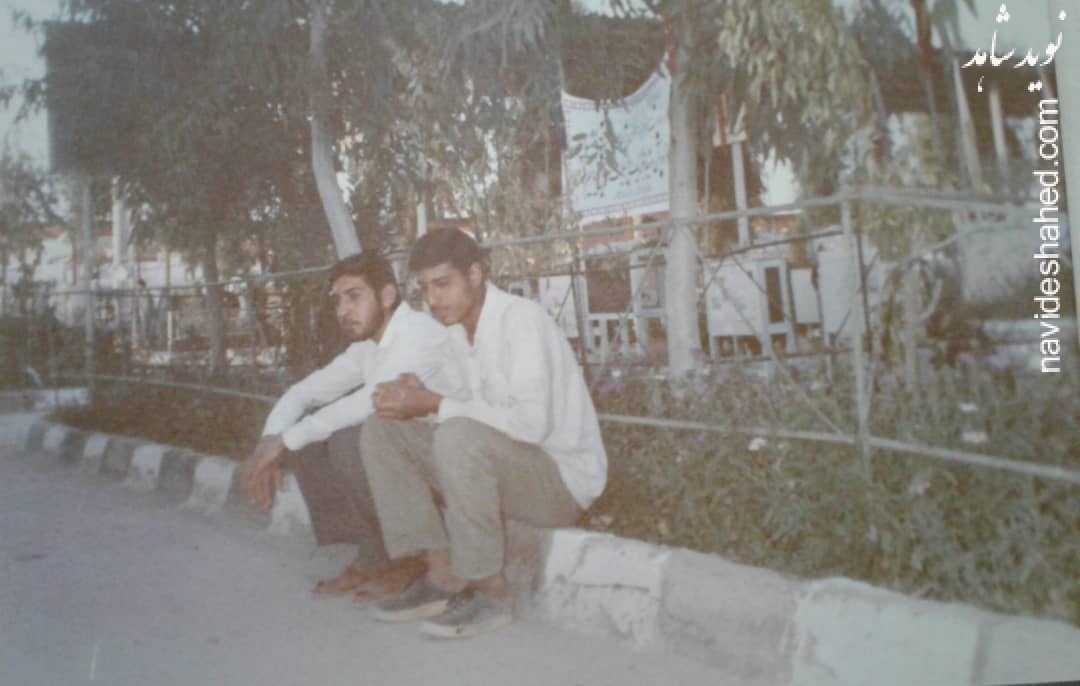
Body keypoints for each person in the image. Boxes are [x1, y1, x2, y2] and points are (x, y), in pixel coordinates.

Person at [362, 228, 607, 639]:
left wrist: (434, 402)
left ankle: (492, 593)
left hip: (559, 481)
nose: (433, 299)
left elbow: (530, 425)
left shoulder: (521, 321)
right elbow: (466, 406)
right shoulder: (457, 331)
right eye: (424, 288)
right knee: (383, 428)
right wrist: (418, 396)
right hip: (504, 466)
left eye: (443, 284)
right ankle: (441, 576)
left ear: (475, 274)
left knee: (458, 435)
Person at [240, 252, 459, 605]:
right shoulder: (368, 348)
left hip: (456, 466)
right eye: (338, 300)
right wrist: (269, 441)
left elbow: (368, 402)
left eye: (354, 296)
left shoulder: (419, 334)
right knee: (308, 441)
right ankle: (375, 554)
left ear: (387, 296)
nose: (343, 310)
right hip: (409, 464)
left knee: (348, 438)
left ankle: (411, 559)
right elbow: (303, 393)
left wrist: (284, 441)